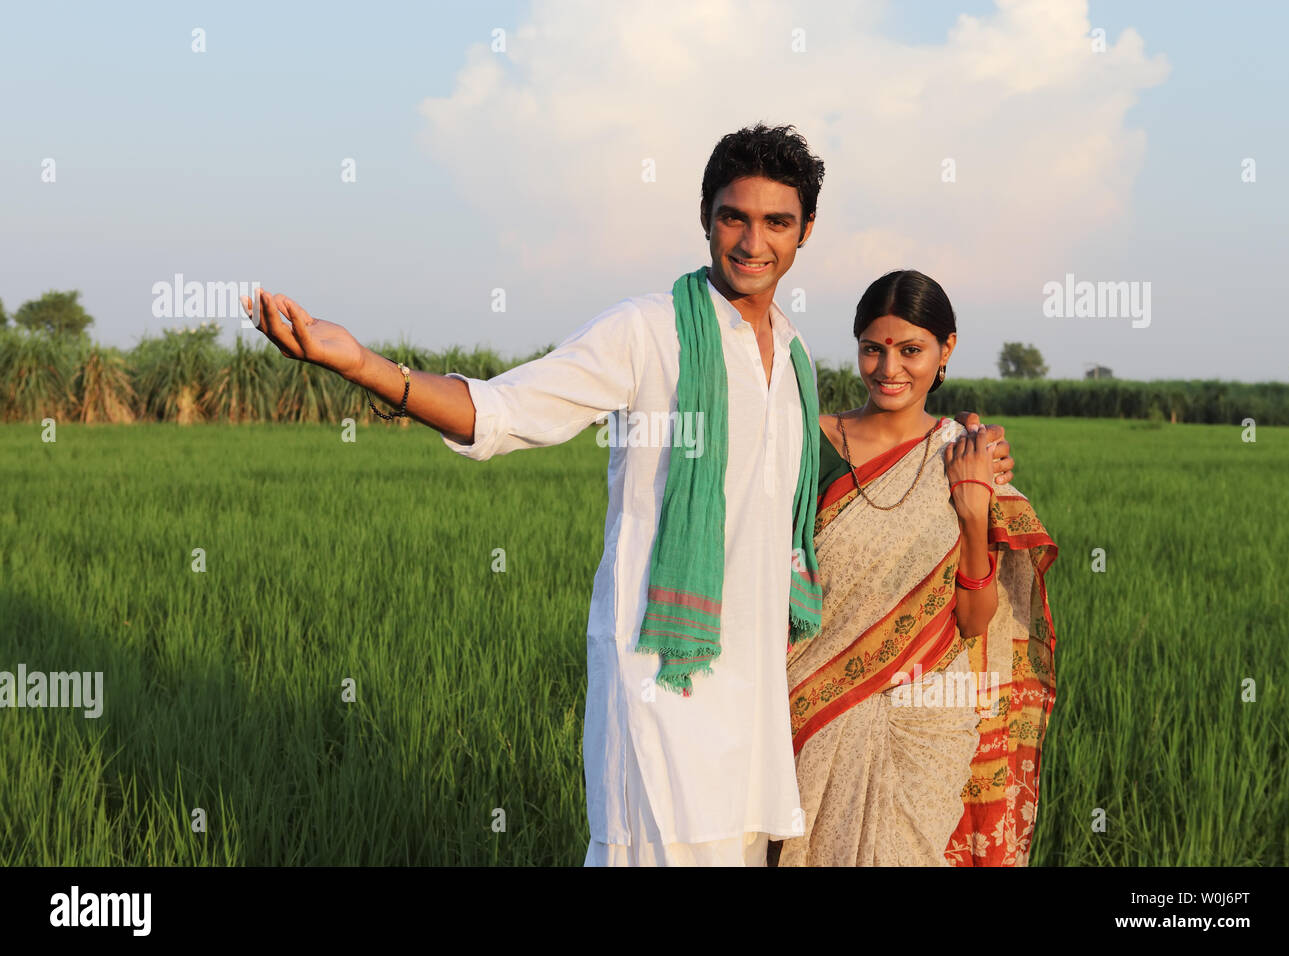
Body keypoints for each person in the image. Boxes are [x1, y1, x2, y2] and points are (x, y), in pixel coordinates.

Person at [241, 126, 1018, 867]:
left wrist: (965, 453)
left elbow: (851, 484)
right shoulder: (648, 333)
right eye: (733, 218)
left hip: (756, 708)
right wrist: (366, 366)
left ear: (806, 230)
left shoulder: (792, 360)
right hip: (664, 682)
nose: (753, 242)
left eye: (776, 221)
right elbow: (506, 410)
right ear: (705, 218)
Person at [770, 269, 1057, 867]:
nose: (889, 368)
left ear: (945, 349)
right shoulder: (809, 443)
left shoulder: (965, 454)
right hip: (810, 704)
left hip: (924, 721)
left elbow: (976, 620)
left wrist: (974, 511)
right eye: (873, 349)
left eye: (910, 350)